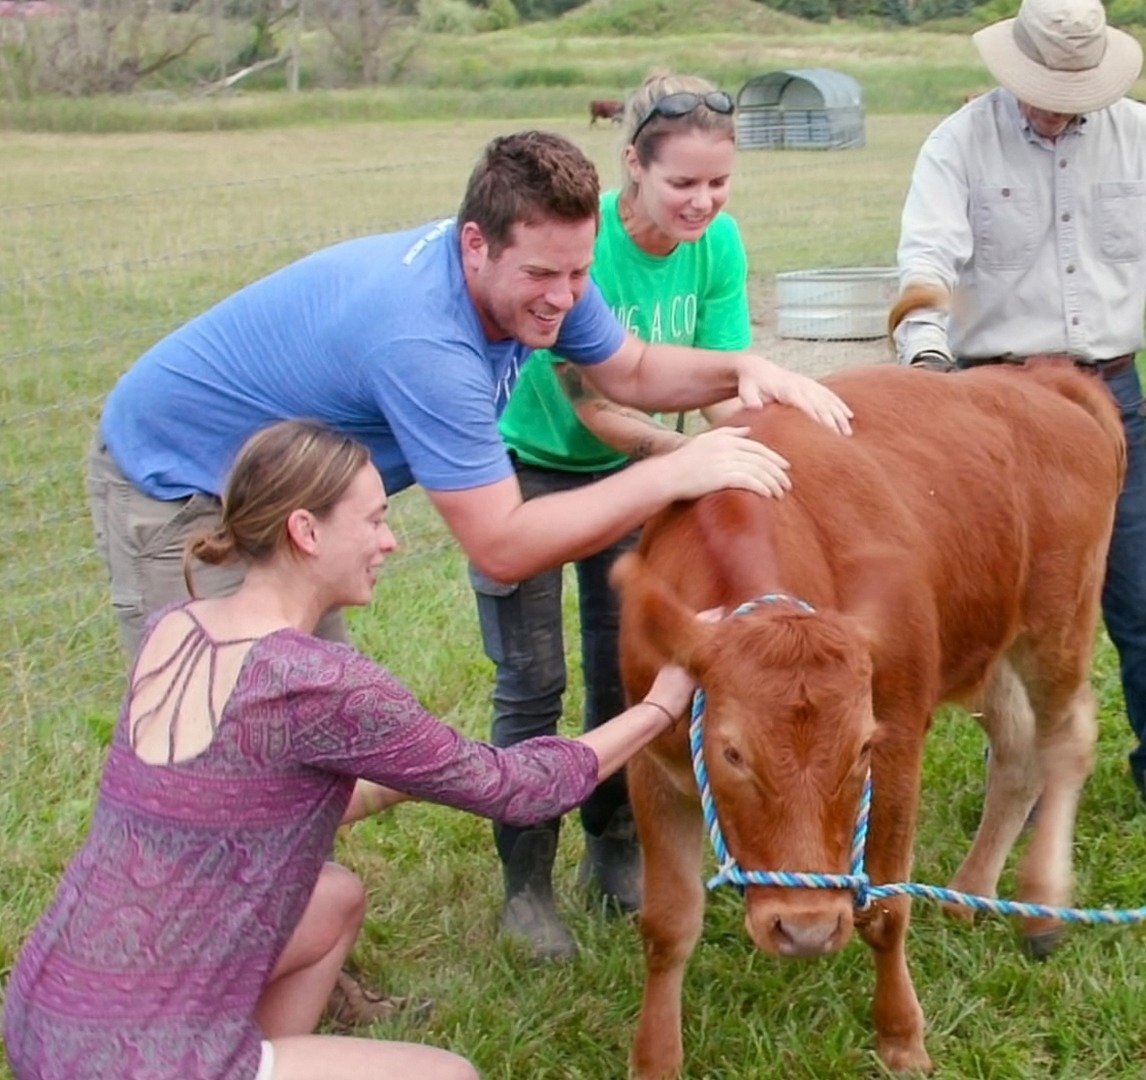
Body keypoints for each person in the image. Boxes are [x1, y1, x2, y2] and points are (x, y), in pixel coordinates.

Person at [4, 421, 700, 1080]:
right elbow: (522, 789)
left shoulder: (174, 626)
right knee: (452, 1075)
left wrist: (415, 772)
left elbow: (232, 809)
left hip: (47, 1010)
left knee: (333, 897)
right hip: (134, 1060)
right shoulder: (320, 681)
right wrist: (661, 706)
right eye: (373, 520)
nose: (389, 541)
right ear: (304, 531)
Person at [88, 128, 851, 658]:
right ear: (475, 243)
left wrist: (745, 369)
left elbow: (632, 369)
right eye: (543, 277)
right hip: (186, 486)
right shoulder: (426, 344)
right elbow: (503, 543)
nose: (564, 298)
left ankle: (293, 885)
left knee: (295, 706)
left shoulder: (540, 268)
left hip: (290, 491)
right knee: (213, 723)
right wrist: (673, 471)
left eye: (580, 273)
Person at [892, 0, 1146, 846]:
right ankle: (1027, 774)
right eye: (1041, 88)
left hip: (1104, 396)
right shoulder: (958, 142)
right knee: (1000, 606)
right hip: (990, 406)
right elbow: (926, 261)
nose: (1055, 104)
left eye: (1074, 91)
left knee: (1145, 598)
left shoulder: (1143, 138)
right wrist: (927, 361)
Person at [475, 72, 752, 960]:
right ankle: (525, 885)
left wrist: (761, 450)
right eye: (682, 184)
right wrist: (691, 463)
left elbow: (724, 383)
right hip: (527, 471)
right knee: (532, 683)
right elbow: (596, 403)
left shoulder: (719, 247)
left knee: (623, 672)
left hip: (641, 481)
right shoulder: (578, 237)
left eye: (718, 182)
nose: (702, 202)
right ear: (632, 166)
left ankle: (612, 850)